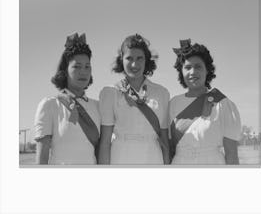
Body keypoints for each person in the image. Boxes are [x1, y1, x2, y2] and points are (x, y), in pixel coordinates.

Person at [98, 34, 170, 165]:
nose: (134, 64)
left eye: (139, 58)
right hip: (121, 157)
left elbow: (164, 139)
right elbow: (105, 141)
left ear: (146, 60)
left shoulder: (162, 93)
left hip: (153, 157)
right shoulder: (110, 92)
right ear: (121, 60)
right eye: (129, 58)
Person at [169, 39, 241, 165]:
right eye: (187, 67)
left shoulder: (222, 103)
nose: (193, 72)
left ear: (207, 70)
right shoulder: (173, 103)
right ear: (181, 71)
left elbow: (231, 154)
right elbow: (169, 147)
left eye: (198, 66)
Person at [34, 33, 100, 165]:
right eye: (77, 66)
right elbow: (42, 157)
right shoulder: (50, 105)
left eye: (87, 66)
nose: (83, 72)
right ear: (65, 70)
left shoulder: (98, 106)